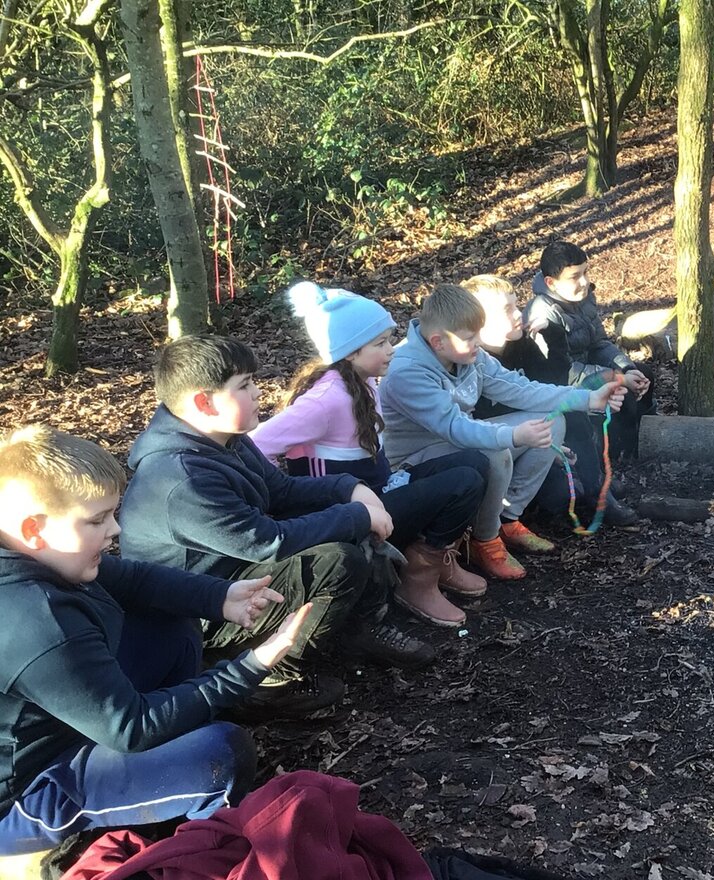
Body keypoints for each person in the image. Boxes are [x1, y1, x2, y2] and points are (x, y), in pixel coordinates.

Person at [0, 424, 309, 854]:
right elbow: (131, 728)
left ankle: (167, 764)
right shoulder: (35, 618)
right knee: (220, 755)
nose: (115, 530)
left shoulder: (39, 552)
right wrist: (249, 668)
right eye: (97, 520)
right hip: (25, 791)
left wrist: (220, 597)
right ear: (34, 528)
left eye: (113, 513)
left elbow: (135, 579)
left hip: (67, 720)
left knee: (172, 626)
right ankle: (191, 848)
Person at [120, 335, 434, 721]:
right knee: (335, 561)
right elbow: (267, 543)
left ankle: (358, 629)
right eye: (244, 385)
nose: (258, 392)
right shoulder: (181, 478)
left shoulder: (225, 439)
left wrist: (350, 487)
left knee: (339, 523)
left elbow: (280, 490)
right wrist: (358, 516)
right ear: (204, 402)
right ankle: (263, 680)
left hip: (233, 571)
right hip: (199, 614)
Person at [250, 282, 489, 628]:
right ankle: (416, 582)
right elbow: (257, 444)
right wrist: (284, 498)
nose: (392, 349)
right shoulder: (327, 398)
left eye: (390, 339)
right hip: (349, 513)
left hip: (380, 490)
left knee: (473, 461)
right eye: (380, 343)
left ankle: (432, 561)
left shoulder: (365, 380)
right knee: (463, 482)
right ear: (348, 352)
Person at [378, 284, 627, 581]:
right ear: (437, 342)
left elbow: (521, 390)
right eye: (470, 338)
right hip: (414, 462)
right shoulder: (408, 371)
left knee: (550, 422)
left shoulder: (469, 356)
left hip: (456, 446)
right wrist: (513, 436)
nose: (478, 343)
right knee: (495, 451)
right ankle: (485, 540)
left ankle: (508, 518)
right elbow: (455, 428)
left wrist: (587, 399)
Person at [461, 274, 639, 528]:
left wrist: (553, 337)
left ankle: (594, 488)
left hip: (526, 441)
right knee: (560, 495)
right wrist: (535, 441)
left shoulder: (517, 344)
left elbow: (547, 385)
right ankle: (495, 525)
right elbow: (467, 427)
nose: (518, 314)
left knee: (570, 425)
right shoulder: (467, 360)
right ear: (477, 320)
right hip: (491, 450)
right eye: (507, 309)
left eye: (516, 305)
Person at [526, 241, 655, 463]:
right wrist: (617, 377)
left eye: (585, 272)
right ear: (551, 283)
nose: (584, 282)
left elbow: (599, 343)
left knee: (644, 374)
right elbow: (562, 373)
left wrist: (626, 367)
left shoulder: (583, 298)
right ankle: (610, 458)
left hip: (589, 369)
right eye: (574, 276)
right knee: (619, 392)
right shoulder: (543, 314)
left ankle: (643, 441)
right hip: (562, 386)